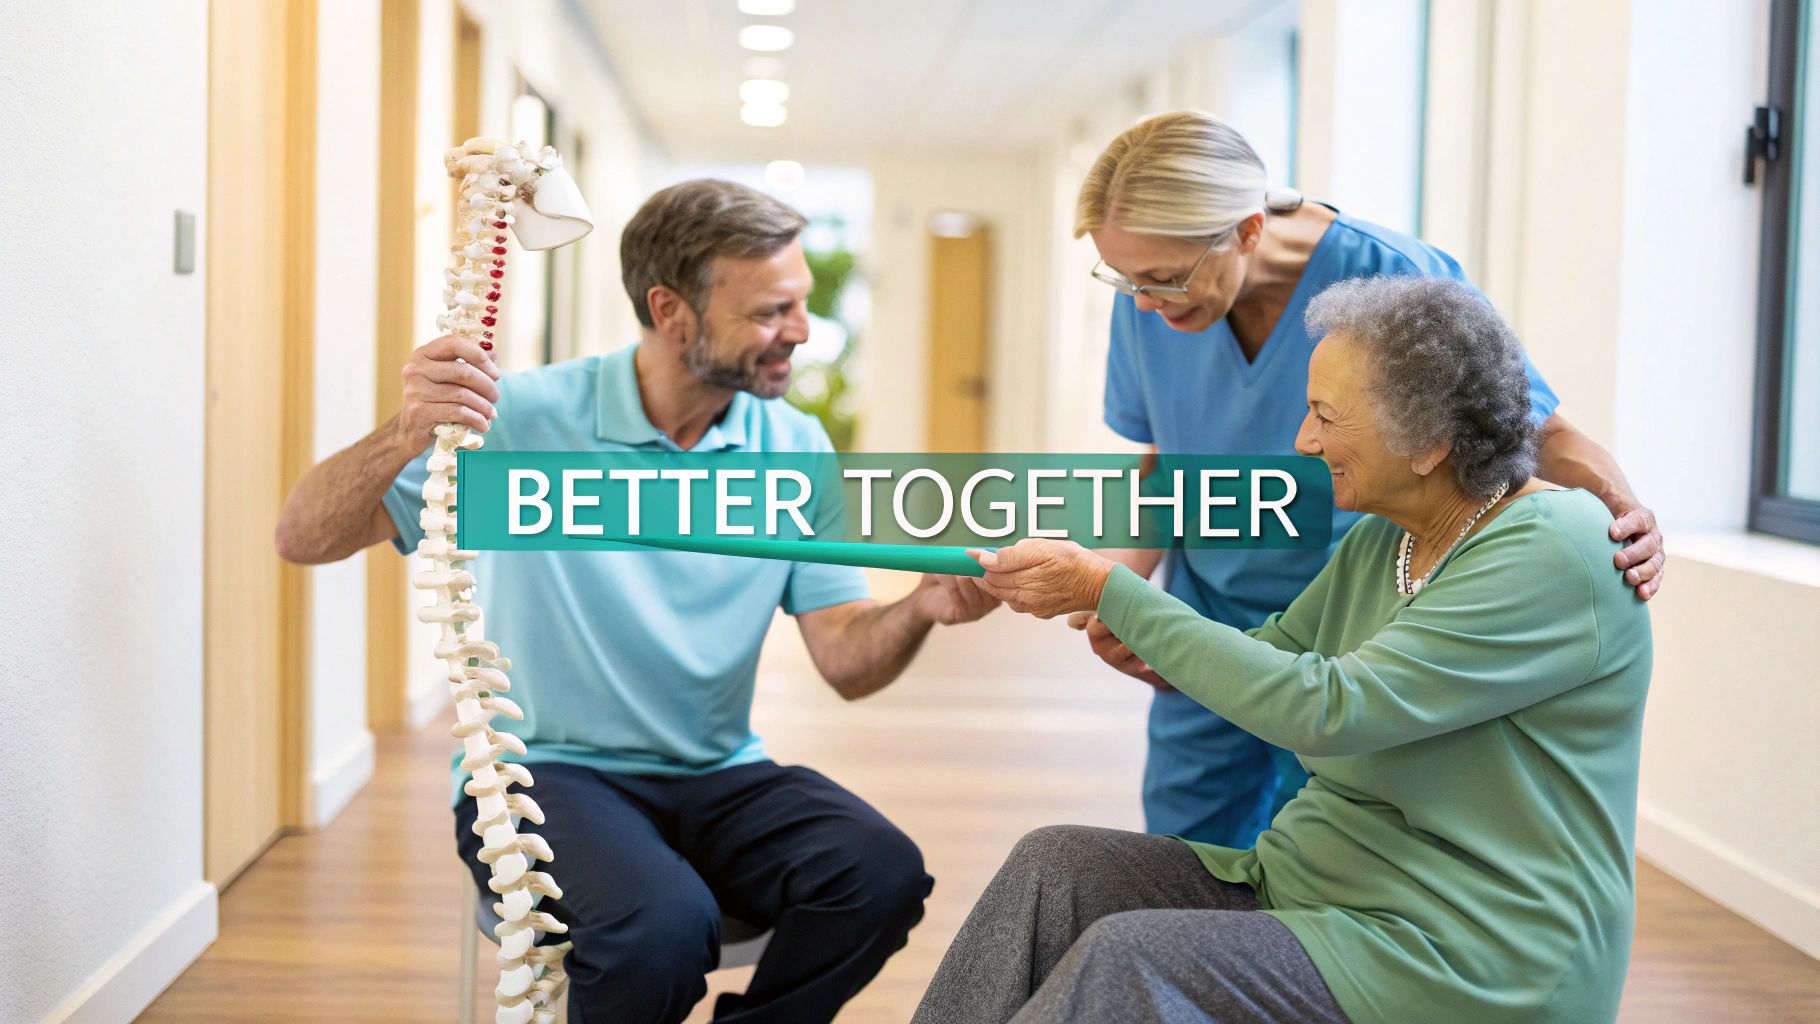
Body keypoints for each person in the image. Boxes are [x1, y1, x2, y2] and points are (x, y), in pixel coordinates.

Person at [274, 179, 1000, 1024]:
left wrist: (917, 608)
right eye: (770, 311)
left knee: (878, 874)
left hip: (719, 774)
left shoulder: (794, 445)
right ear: (670, 310)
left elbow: (844, 658)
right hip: (540, 771)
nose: (799, 331)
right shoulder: (521, 421)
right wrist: (406, 432)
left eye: (799, 304)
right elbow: (304, 536)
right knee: (659, 927)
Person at [915, 276, 1652, 1024]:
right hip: (1310, 891)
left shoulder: (1553, 550)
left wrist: (1113, 591)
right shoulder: (1385, 540)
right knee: (1059, 866)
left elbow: (1330, 707)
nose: (1304, 440)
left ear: (1430, 440)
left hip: (1462, 952)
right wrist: (1156, 653)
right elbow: (1272, 655)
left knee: (1128, 956)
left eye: (1326, 416)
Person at [1073, 111, 1666, 847]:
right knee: (1178, 853)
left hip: (1352, 637)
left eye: (1164, 279)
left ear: (1248, 231)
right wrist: (1119, 588)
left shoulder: (1394, 279)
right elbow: (1169, 458)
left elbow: (1534, 431)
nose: (1147, 303)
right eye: (1126, 279)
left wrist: (1622, 509)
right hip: (1211, 615)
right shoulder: (1151, 304)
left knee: (1315, 858)